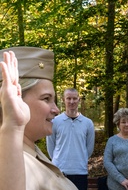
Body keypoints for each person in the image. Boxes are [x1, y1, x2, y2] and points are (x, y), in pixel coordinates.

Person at [0, 46, 78, 190]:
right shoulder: (10, 161)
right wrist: (13, 126)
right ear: (15, 101)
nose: (56, 110)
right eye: (46, 99)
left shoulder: (33, 153)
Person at [46, 88, 95, 190]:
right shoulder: (54, 122)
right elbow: (51, 148)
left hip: (80, 172)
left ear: (79, 100)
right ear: (63, 100)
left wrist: (80, 159)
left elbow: (89, 149)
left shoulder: (88, 123)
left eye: (74, 98)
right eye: (68, 98)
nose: (71, 102)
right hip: (59, 172)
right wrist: (59, 161)